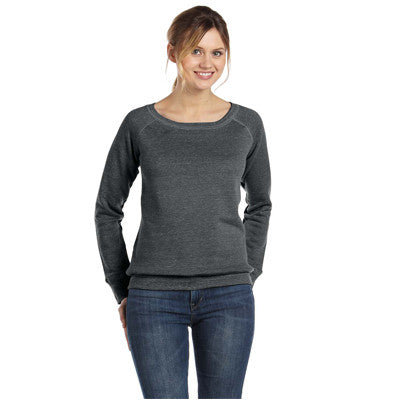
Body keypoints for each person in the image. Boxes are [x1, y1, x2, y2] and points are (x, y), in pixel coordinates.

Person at [94, 5, 272, 399]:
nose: (207, 63)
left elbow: (260, 204)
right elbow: (107, 209)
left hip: (228, 295)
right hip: (153, 298)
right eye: (196, 50)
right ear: (173, 52)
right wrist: (122, 287)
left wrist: (248, 271)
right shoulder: (140, 124)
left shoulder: (246, 124)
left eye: (217, 52)